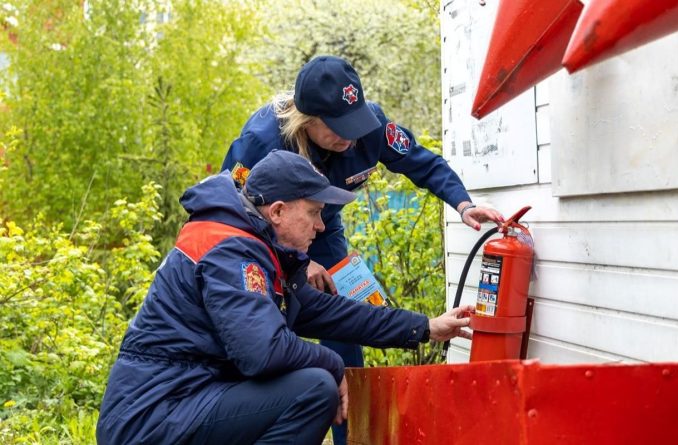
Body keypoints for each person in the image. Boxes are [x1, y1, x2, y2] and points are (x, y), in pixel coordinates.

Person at [95, 150, 474, 445]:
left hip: (186, 401)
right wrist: (332, 362)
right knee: (314, 389)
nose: (321, 226)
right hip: (152, 418)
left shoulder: (257, 248)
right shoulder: (231, 251)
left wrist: (426, 327)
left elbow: (332, 314)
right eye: (313, 212)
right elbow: (262, 353)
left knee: (312, 382)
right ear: (277, 211)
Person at [221, 55, 502, 444]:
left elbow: (422, 163)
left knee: (345, 321)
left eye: (354, 126)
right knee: (268, 322)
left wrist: (464, 204)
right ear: (308, 120)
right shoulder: (261, 140)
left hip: (325, 226)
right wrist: (298, 265)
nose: (350, 139)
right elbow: (230, 217)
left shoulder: (368, 125)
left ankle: (348, 437)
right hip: (266, 236)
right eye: (338, 130)